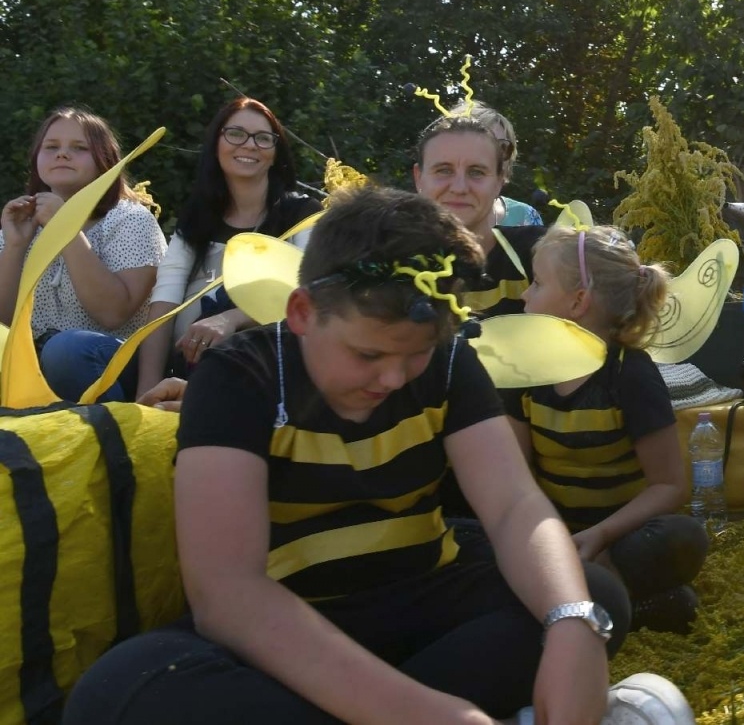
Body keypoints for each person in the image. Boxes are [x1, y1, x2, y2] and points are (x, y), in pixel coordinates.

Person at [61, 186, 623, 725]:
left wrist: (573, 622)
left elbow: (513, 506)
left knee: (594, 595)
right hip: (286, 625)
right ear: (302, 312)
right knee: (118, 693)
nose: (393, 376)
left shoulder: (450, 361)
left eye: (416, 355)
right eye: (368, 353)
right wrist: (416, 713)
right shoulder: (240, 375)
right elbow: (227, 594)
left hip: (426, 597)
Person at [516, 225, 707, 635]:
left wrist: (600, 538)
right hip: (555, 535)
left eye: (536, 283)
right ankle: (627, 605)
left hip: (620, 538)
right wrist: (550, 541)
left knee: (681, 537)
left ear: (578, 300)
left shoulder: (630, 374)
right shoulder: (525, 370)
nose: (524, 295)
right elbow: (516, 478)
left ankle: (603, 595)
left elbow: (670, 487)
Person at [135, 98, 320, 399]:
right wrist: (145, 393)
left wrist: (231, 319)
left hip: (262, 362)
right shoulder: (196, 219)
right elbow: (164, 304)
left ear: (276, 154)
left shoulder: (302, 215)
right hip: (181, 362)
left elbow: (312, 292)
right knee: (75, 351)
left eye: (263, 138)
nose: (249, 145)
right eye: (235, 134)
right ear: (216, 145)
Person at [0, 106, 165, 401]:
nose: (62, 154)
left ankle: (106, 437)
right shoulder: (21, 224)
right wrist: (14, 246)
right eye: (51, 147)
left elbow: (113, 313)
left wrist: (65, 228)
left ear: (106, 161)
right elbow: (4, 325)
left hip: (107, 361)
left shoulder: (130, 219)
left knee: (65, 350)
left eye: (79, 148)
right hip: (33, 365)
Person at [413, 113, 544, 317]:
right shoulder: (383, 262)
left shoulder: (537, 257)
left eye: (476, 172)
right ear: (419, 178)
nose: (459, 188)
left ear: (500, 181)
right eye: (443, 170)